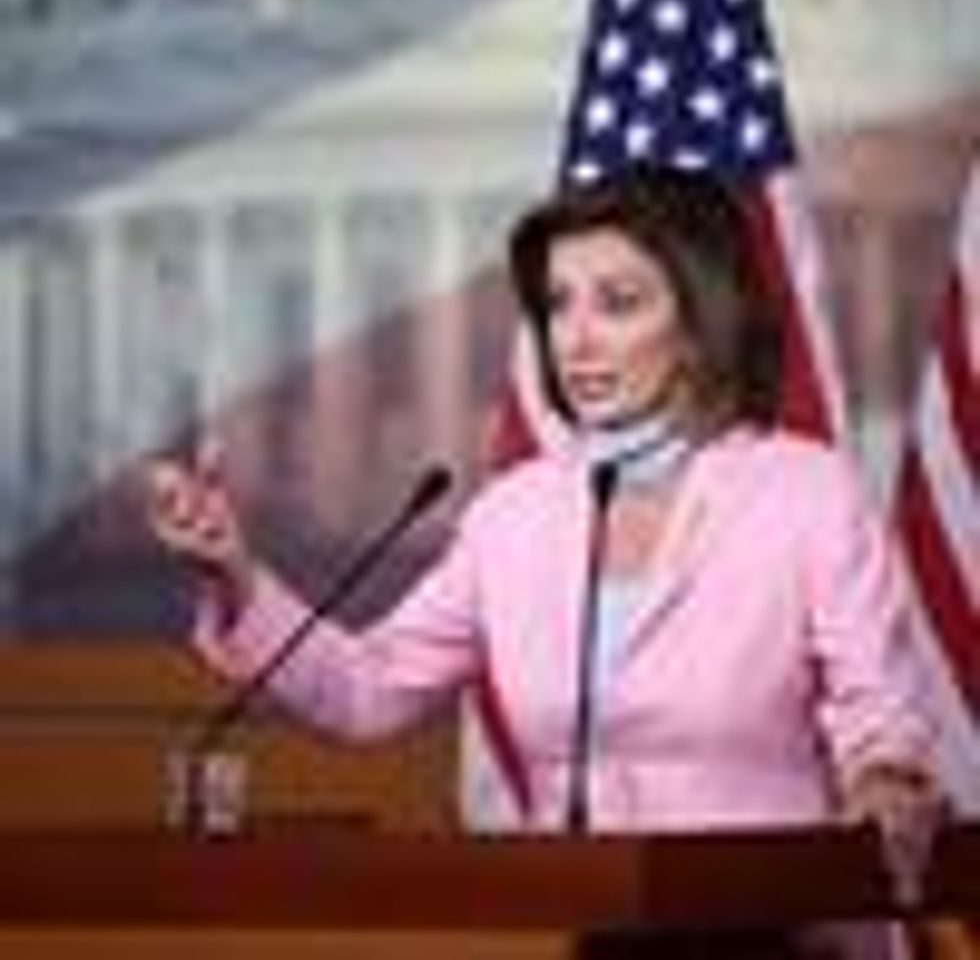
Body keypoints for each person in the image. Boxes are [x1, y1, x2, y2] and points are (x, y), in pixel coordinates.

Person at [147, 166, 942, 957]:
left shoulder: (803, 492)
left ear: (701, 323)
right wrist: (235, 574)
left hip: (779, 934)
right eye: (559, 305)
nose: (577, 338)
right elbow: (369, 688)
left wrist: (887, 779)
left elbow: (880, 713)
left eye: (618, 304)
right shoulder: (515, 516)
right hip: (599, 925)